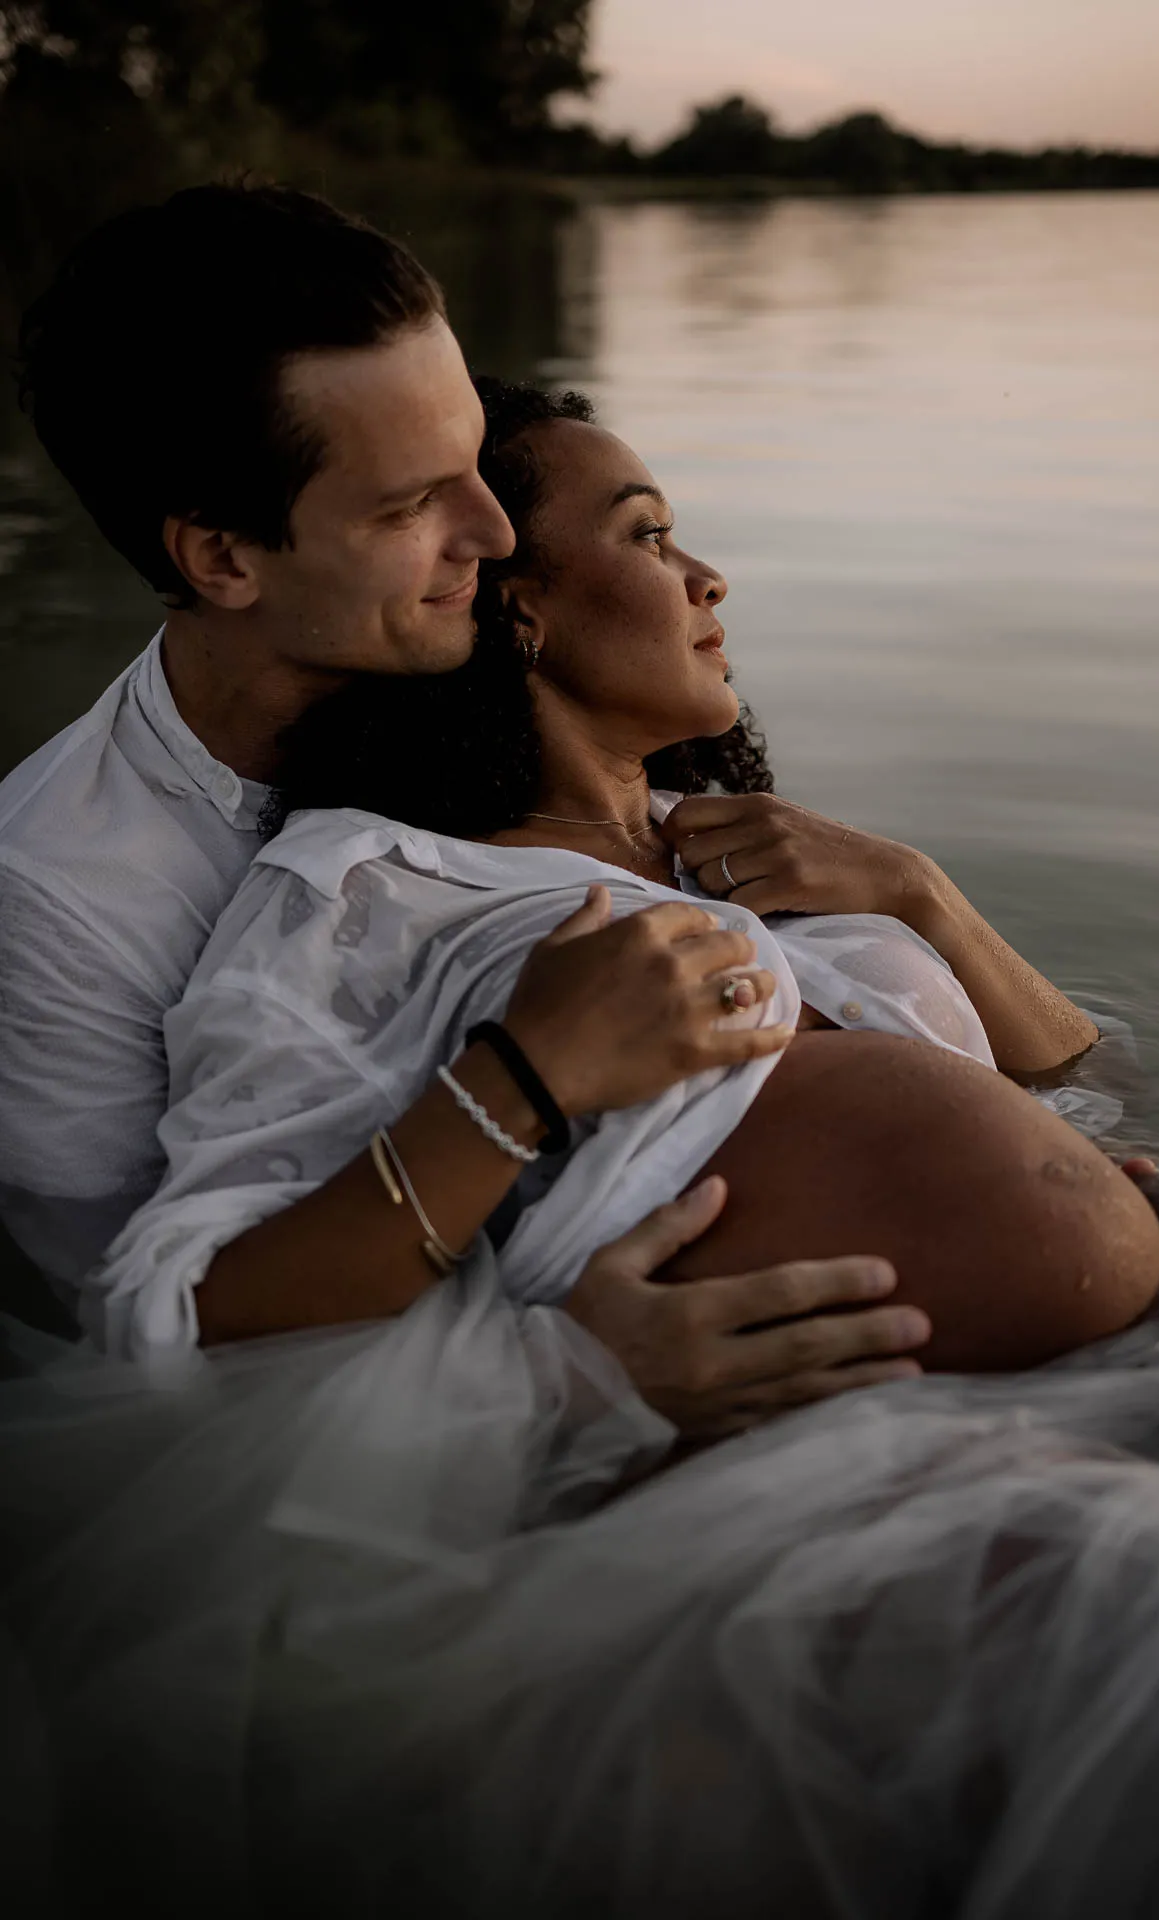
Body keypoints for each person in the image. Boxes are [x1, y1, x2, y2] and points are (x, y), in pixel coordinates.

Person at [0, 182, 931, 1428]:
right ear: (221, 559)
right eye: (410, 504)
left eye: (473, 464)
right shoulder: (53, 899)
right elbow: (160, 1377)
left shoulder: (523, 698)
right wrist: (558, 1378)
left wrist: (919, 899)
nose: (492, 532)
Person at [84, 378, 1159, 1374]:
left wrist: (919, 892)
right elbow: (178, 1318)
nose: (707, 577)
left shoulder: (746, 846)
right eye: (649, 536)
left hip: (1126, 1351)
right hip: (810, 1462)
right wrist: (525, 1084)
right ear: (516, 609)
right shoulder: (368, 891)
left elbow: (1093, 1088)